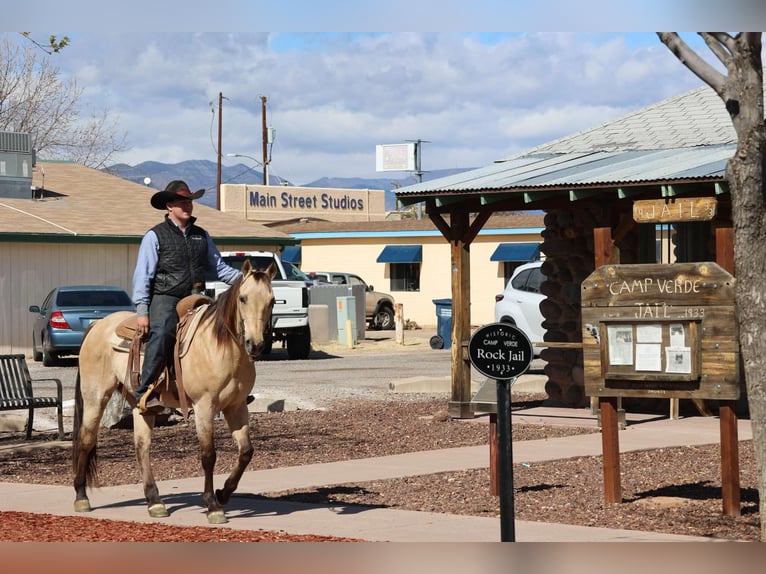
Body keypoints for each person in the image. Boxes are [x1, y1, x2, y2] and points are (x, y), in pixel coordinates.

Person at [132, 180, 241, 414]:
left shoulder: (202, 235)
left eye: (190, 201)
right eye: (182, 202)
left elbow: (220, 269)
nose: (188, 206)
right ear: (169, 206)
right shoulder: (154, 236)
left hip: (196, 296)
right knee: (163, 331)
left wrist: (247, 280)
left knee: (223, 328)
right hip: (165, 296)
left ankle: (229, 389)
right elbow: (143, 274)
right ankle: (145, 392)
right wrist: (142, 310)